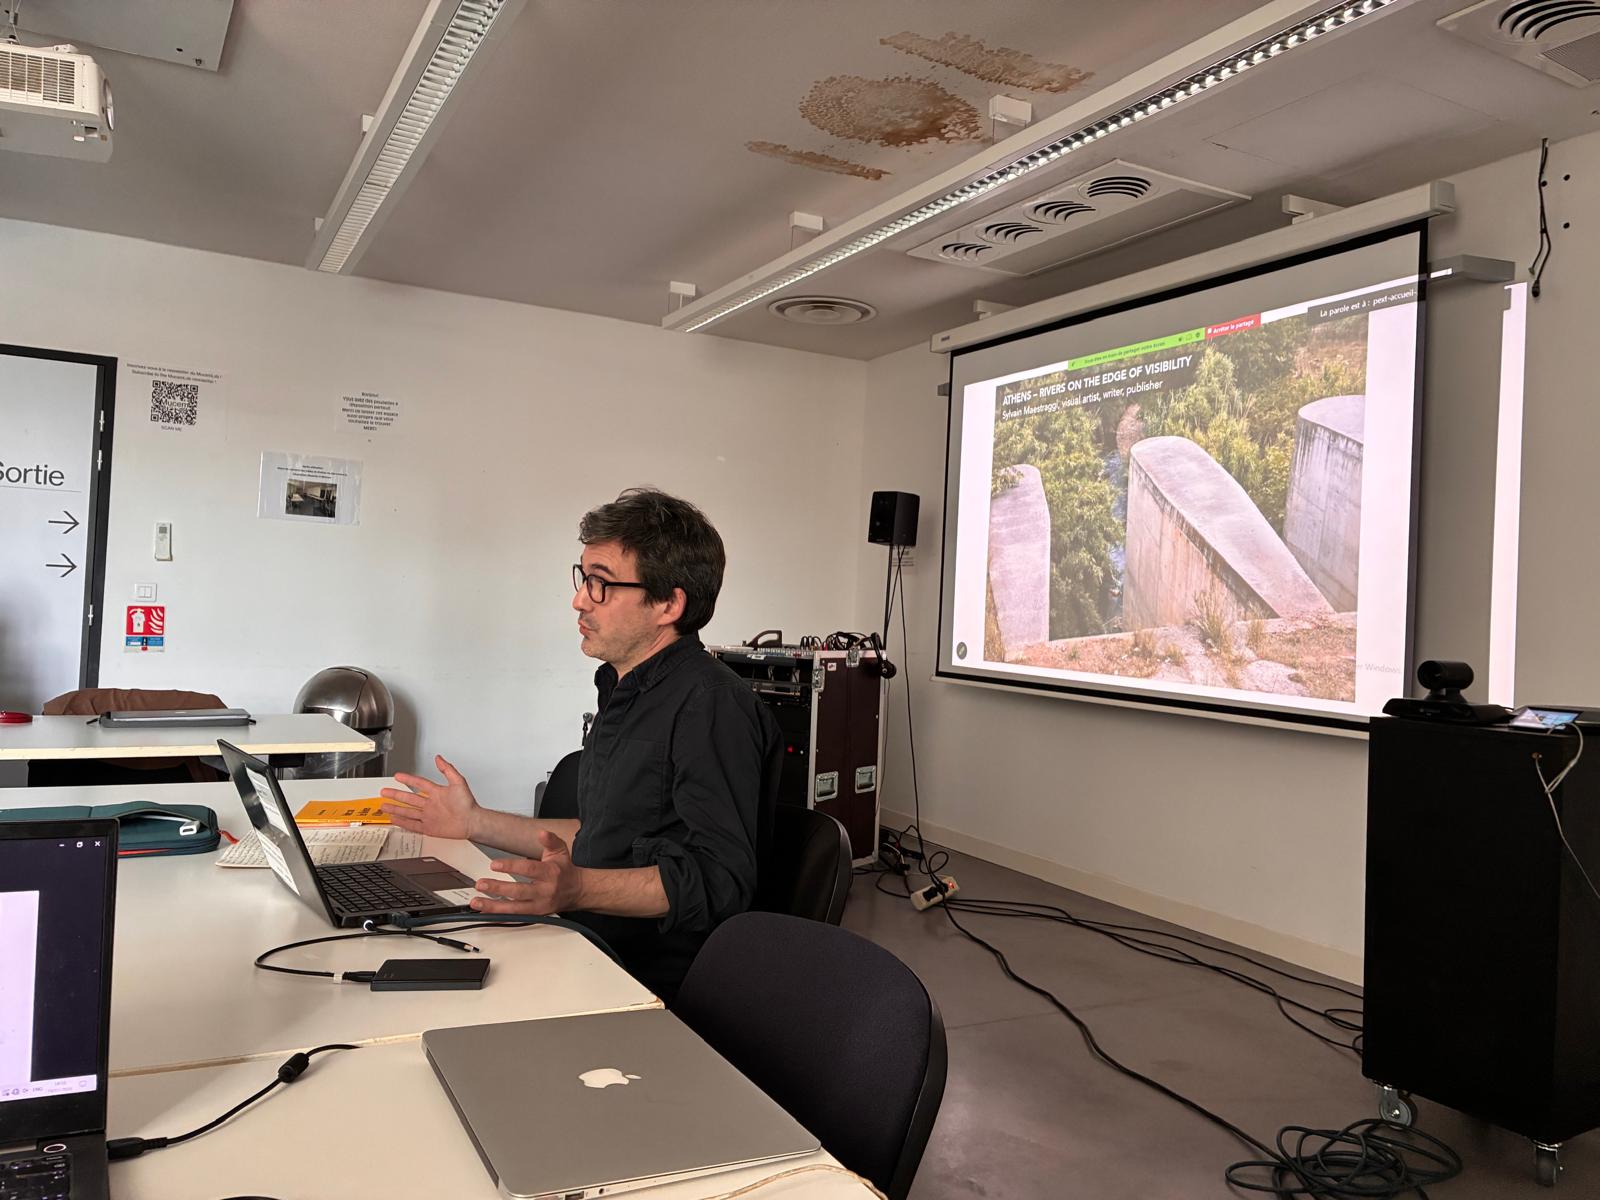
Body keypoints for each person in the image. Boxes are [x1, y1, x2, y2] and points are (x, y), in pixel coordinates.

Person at [379, 488, 778, 1002]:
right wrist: (474, 822)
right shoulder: (623, 686)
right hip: (584, 939)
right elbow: (600, 836)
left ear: (668, 604)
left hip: (643, 981)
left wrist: (579, 889)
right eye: (583, 578)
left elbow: (720, 881)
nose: (580, 600)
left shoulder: (711, 706)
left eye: (601, 584)